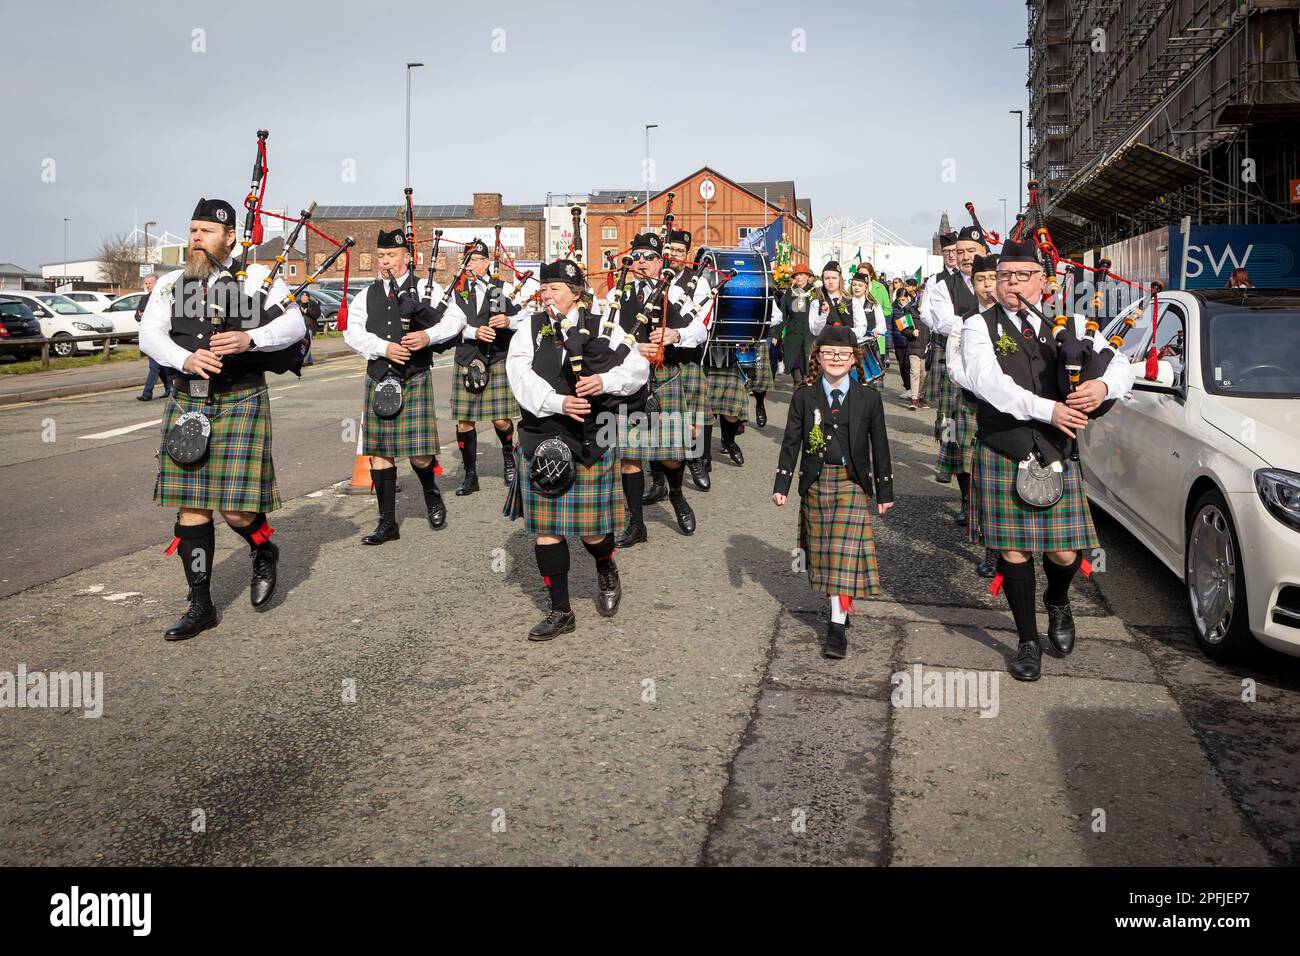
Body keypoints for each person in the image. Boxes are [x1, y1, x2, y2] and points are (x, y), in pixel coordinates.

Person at [961, 238, 1135, 681]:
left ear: (1043, 280)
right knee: (1014, 552)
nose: (1012, 283)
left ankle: (1057, 600)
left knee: (1062, 553)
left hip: (1058, 451)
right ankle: (1027, 640)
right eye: (1004, 276)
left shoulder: (1072, 323)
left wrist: (1104, 388)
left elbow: (1121, 362)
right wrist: (1050, 410)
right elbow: (989, 383)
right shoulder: (978, 326)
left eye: (1022, 275)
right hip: (1004, 446)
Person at [138, 197, 306, 640]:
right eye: (192, 230)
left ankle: (262, 547)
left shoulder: (254, 279)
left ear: (230, 238)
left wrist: (251, 338)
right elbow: (150, 334)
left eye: (206, 231)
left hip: (239, 399)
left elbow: (295, 326)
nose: (195, 238)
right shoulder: (172, 284)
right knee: (192, 506)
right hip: (187, 402)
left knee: (234, 509)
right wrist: (184, 358)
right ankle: (201, 605)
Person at [505, 258, 650, 640]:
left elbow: (638, 370)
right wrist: (558, 402)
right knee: (546, 531)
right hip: (543, 439)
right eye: (545, 288)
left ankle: (605, 566)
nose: (547, 294)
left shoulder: (605, 326)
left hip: (590, 439)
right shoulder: (530, 329)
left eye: (555, 289)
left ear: (576, 294)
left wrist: (604, 380)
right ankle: (561, 611)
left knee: (593, 532)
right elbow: (519, 378)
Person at [773, 324, 894, 659]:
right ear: (818, 358)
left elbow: (880, 446)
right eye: (829, 353)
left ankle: (836, 628)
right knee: (827, 553)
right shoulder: (804, 395)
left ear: (854, 359)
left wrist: (885, 491)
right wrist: (781, 484)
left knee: (842, 551)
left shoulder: (869, 397)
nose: (836, 359)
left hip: (852, 482)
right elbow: (790, 442)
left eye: (843, 354)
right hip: (817, 481)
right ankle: (840, 607)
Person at [342, 228, 463, 545]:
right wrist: (383, 347)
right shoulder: (367, 295)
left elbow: (456, 319)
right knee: (380, 452)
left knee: (420, 456)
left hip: (414, 376)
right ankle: (387, 523)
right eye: (381, 256)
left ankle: (431, 492)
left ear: (408, 257)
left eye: (392, 255)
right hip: (381, 377)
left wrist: (427, 336)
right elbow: (351, 333)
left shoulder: (425, 287)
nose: (385, 262)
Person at [605, 230, 707, 546]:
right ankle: (636, 524)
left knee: (673, 455)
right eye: (636, 256)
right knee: (629, 454)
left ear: (659, 261)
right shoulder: (616, 296)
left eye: (649, 257)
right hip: (629, 380)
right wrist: (631, 348)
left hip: (665, 377)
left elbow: (699, 330)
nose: (642, 262)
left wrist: (676, 336)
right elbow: (603, 336)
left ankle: (676, 495)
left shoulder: (674, 293)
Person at [445, 238, 529, 497]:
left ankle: (508, 458)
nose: (471, 265)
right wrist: (472, 331)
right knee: (464, 423)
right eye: (468, 261)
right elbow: (447, 324)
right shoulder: (455, 291)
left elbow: (527, 316)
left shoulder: (502, 288)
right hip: (467, 358)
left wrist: (508, 320)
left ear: (486, 263)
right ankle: (470, 474)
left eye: (477, 261)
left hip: (496, 358)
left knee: (502, 420)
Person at [923, 225, 986, 523]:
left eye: (971, 251)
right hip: (959, 370)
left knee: (985, 441)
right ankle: (966, 499)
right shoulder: (940, 285)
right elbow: (947, 323)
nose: (965, 257)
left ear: (983, 252)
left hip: (993, 372)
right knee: (959, 437)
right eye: (959, 252)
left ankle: (984, 502)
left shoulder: (995, 279)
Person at [946, 252, 1000, 577]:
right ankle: (992, 548)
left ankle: (1007, 545)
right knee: (983, 478)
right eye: (981, 279)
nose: (987, 285)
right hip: (976, 403)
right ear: (973, 282)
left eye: (992, 278)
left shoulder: (1016, 317)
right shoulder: (963, 320)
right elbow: (954, 367)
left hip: (1011, 409)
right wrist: (984, 386)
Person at [778, 263, 816, 384]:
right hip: (793, 333)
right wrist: (776, 334)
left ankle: (806, 387)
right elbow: (782, 315)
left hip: (809, 333)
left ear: (807, 276)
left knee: (808, 363)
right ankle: (797, 386)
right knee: (794, 362)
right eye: (796, 275)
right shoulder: (790, 293)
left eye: (801, 275)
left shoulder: (815, 292)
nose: (799, 277)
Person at [136, 274, 170, 401]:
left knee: (154, 366)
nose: (148, 285)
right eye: (146, 283)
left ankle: (147, 393)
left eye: (150, 283)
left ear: (157, 283)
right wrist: (141, 316)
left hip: (161, 336)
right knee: (159, 365)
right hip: (149, 336)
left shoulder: (164, 297)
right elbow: (137, 316)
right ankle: (169, 388)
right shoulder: (144, 299)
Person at [298, 290, 321, 366]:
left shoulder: (313, 304)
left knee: (307, 344)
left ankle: (305, 361)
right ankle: (309, 360)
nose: (304, 298)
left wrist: (307, 312)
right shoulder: (297, 304)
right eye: (302, 297)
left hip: (309, 327)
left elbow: (316, 314)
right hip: (300, 327)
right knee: (302, 344)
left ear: (308, 297)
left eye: (305, 297)